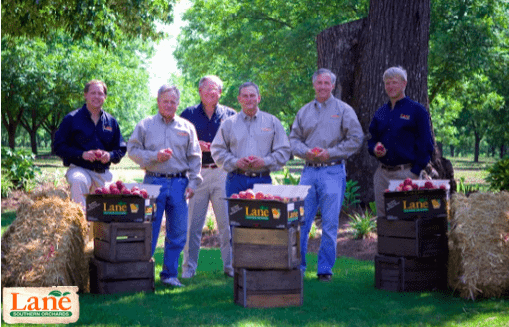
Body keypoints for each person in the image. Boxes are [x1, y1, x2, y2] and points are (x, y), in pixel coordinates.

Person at [289, 68, 364, 282]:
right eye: (319, 83)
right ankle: (298, 268)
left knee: (330, 223)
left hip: (333, 170)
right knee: (300, 222)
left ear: (333, 85)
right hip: (309, 171)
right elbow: (293, 140)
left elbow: (356, 138)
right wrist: (306, 151)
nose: (322, 86)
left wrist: (330, 152)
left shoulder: (343, 110)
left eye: (326, 83)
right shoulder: (304, 112)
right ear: (314, 85)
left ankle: (324, 269)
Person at [127, 84, 202, 288]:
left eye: (173, 101)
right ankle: (143, 274)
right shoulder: (145, 125)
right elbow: (132, 150)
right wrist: (154, 156)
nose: (169, 105)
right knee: (149, 229)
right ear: (158, 101)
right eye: (165, 101)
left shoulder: (187, 127)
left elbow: (195, 157)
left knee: (177, 231)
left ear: (178, 103)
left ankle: (169, 274)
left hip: (179, 183)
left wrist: (194, 182)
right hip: (153, 182)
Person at [180, 75, 236, 279]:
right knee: (193, 226)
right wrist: (196, 145)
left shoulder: (230, 114)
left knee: (227, 225)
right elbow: (180, 142)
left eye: (216, 89)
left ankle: (231, 268)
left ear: (220, 92)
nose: (212, 93)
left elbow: (237, 143)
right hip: (197, 172)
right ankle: (188, 270)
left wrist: (216, 147)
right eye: (207, 89)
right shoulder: (188, 114)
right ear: (200, 91)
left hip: (223, 173)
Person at [368, 66, 434, 217]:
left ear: (404, 84)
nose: (390, 86)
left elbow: (427, 145)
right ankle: (385, 242)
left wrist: (415, 172)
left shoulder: (417, 111)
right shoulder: (381, 112)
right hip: (382, 175)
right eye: (387, 83)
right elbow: (371, 141)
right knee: (384, 221)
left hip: (406, 174)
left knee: (406, 221)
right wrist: (375, 148)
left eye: (394, 82)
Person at [54, 79, 126, 208]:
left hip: (103, 173)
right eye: (93, 93)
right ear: (85, 95)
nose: (97, 96)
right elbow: (58, 147)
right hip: (79, 169)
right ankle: (81, 222)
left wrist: (109, 155)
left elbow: (120, 149)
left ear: (105, 97)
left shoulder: (111, 122)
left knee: (112, 205)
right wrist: (82, 154)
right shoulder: (71, 119)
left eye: (100, 93)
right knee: (78, 181)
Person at [211, 82, 291, 196]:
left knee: (261, 214)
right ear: (239, 99)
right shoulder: (228, 124)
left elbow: (284, 151)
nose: (249, 99)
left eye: (252, 95)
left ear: (258, 98)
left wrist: (264, 161)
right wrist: (236, 162)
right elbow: (217, 150)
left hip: (262, 180)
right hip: (235, 180)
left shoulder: (272, 122)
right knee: (236, 214)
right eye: (245, 96)